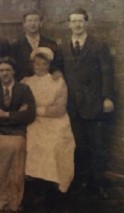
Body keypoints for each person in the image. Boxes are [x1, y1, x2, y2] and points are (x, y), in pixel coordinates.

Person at [61, 8, 115, 198]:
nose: (77, 24)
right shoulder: (64, 46)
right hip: (74, 106)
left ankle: (98, 184)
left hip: (94, 105)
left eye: (80, 21)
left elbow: (107, 72)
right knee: (79, 146)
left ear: (86, 23)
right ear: (69, 24)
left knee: (97, 146)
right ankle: (82, 181)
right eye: (73, 21)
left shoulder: (98, 45)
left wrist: (107, 97)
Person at [21, 47, 75, 210]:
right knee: (31, 144)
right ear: (33, 64)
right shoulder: (26, 82)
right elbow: (21, 104)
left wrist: (35, 110)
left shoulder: (58, 81)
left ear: (49, 65)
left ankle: (52, 188)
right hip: (33, 122)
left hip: (55, 122)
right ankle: (35, 187)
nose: (40, 67)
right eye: (37, 64)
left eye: (44, 64)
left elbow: (59, 109)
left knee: (55, 144)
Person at [0, 56, 35, 135]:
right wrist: (17, 115)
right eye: (1, 71)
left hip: (17, 132)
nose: (5, 73)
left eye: (8, 70)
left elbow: (30, 115)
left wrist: (6, 114)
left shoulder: (24, 89)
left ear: (13, 71)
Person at [11, 9, 63, 81]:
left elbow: (56, 65)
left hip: (46, 84)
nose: (33, 24)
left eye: (36, 20)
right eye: (30, 21)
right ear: (24, 24)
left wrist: (56, 72)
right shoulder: (15, 46)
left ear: (41, 23)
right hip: (23, 85)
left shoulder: (51, 44)